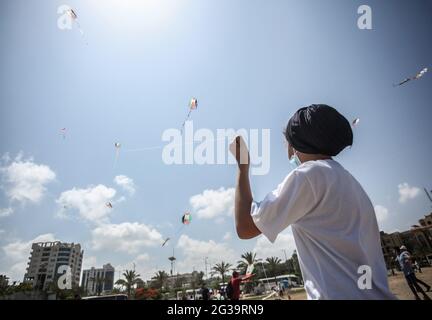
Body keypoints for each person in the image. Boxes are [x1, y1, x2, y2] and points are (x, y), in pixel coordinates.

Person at [230, 104, 396, 300]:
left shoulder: (309, 175)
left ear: (295, 144)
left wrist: (243, 166)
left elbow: (246, 227)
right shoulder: (350, 181)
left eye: (286, 142)